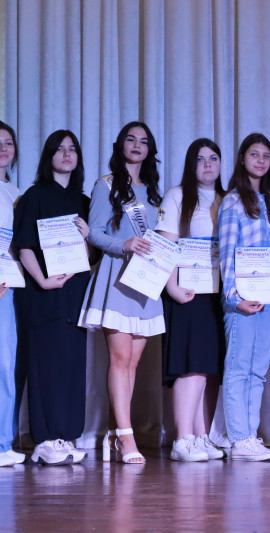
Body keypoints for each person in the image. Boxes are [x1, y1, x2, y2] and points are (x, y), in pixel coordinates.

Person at [79, 121, 164, 464]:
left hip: (145, 282)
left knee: (132, 363)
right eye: (131, 139)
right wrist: (124, 244)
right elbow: (94, 233)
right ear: (121, 145)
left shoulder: (154, 192)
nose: (137, 145)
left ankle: (116, 432)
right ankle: (127, 439)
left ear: (150, 150)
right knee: (119, 358)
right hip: (116, 276)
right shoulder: (106, 185)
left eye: (144, 141)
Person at [13, 130, 91, 465]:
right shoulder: (35, 195)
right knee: (47, 366)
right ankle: (45, 440)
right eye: (60, 149)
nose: (67, 154)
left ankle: (66, 436)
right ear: (49, 156)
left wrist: (88, 236)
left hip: (76, 297)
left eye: (72, 149)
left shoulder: (84, 201)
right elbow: (24, 245)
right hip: (44, 295)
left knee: (72, 367)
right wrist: (43, 281)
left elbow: (91, 256)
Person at [218, 133, 270, 461]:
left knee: (258, 370)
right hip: (242, 298)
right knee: (238, 367)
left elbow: (269, 251)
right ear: (242, 159)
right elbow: (227, 254)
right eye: (254, 154)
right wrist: (234, 298)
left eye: (266, 155)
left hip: (268, 293)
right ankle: (239, 438)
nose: (261, 160)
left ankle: (250, 436)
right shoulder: (233, 202)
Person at [156, 138, 226, 462]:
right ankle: (182, 438)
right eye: (200, 159)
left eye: (213, 158)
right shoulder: (177, 196)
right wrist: (171, 287)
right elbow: (166, 244)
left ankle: (201, 437)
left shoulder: (228, 199)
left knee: (209, 368)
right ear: (190, 164)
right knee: (190, 366)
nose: (207, 164)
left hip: (217, 294)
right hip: (187, 292)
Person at [0, 121, 24, 467]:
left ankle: (4, 441)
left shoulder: (17, 192)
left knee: (7, 364)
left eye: (7, 142)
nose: (2, 148)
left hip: (11, 285)